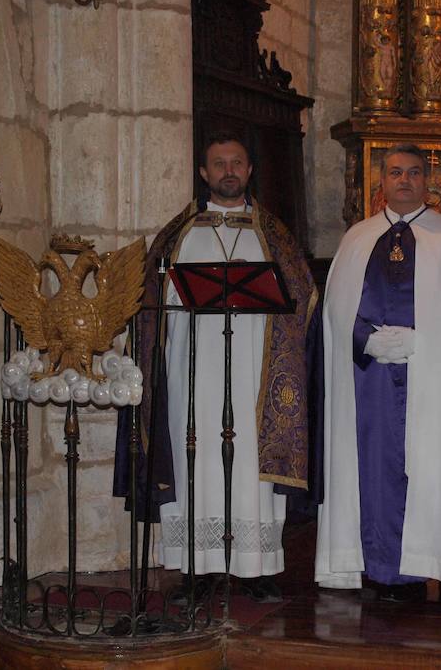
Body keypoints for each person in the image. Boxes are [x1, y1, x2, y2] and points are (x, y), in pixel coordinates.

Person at [114, 132, 320, 604]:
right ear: (204, 173)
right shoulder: (178, 235)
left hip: (253, 376)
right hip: (193, 372)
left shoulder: (273, 235)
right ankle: (196, 569)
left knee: (248, 462)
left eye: (237, 162)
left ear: (249, 171)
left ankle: (256, 569)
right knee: (197, 459)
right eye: (219, 164)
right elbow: (149, 304)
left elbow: (302, 299)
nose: (229, 171)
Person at [316, 143, 441, 614]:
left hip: (439, 385)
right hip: (371, 383)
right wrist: (365, 340)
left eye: (413, 173)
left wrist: (423, 340)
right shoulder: (357, 239)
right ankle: (392, 575)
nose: (404, 180)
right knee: (378, 472)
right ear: (382, 181)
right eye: (395, 172)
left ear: (428, 182)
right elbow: (335, 310)